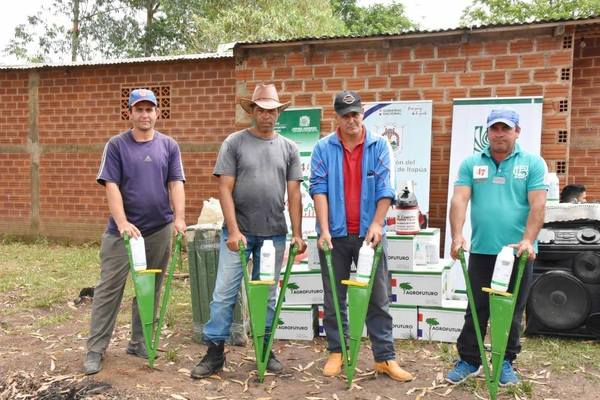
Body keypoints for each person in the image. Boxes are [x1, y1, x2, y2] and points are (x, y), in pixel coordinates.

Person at [190, 83, 306, 379]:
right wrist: (232, 230)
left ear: (279, 112)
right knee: (223, 294)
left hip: (273, 234)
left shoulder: (289, 148)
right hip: (237, 236)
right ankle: (214, 353)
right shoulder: (234, 143)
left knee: (266, 296)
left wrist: (297, 234)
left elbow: (294, 195)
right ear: (251, 111)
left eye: (272, 110)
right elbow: (224, 188)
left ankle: (265, 352)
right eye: (261, 110)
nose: (266, 115)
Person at [309, 91, 413, 382]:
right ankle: (337, 351)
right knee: (334, 297)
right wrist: (325, 229)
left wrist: (378, 224)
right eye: (345, 115)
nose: (351, 119)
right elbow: (318, 189)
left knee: (377, 297)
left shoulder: (379, 146)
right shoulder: (323, 148)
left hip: (371, 237)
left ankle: (384, 358)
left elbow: (385, 188)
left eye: (355, 113)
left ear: (362, 113)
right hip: (336, 235)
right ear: (337, 117)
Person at [83, 88, 186, 375]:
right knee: (108, 290)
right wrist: (123, 222)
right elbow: (111, 185)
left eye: (149, 109)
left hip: (158, 229)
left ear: (157, 113)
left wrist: (179, 219)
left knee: (150, 287)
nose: (144, 114)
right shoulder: (116, 145)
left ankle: (139, 341)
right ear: (130, 113)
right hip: (121, 234)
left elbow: (176, 182)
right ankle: (95, 349)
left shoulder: (169, 145)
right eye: (138, 109)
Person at [446, 108, 547, 386]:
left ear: (517, 131)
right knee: (476, 308)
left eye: (505, 128)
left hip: (519, 253)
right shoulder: (471, 163)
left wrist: (528, 239)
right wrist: (457, 235)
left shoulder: (533, 163)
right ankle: (470, 359)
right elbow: (459, 200)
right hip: (481, 250)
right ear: (487, 132)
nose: (499, 134)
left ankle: (504, 361)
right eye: (494, 128)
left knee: (512, 311)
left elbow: (538, 204)